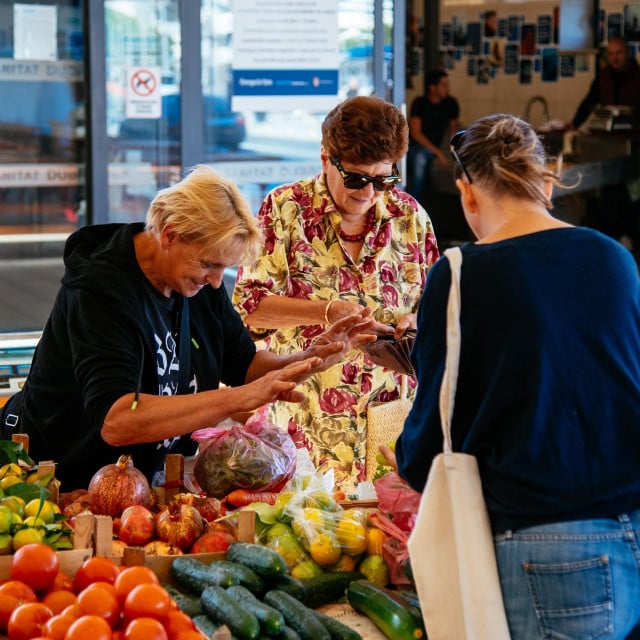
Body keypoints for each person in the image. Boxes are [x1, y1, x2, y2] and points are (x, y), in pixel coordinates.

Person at [390, 114, 640, 638]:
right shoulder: (614, 258)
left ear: (467, 192)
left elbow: (441, 420)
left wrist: (404, 462)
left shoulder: (460, 274)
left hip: (542, 536)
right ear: (546, 182)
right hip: (631, 521)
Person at [0, 165, 375, 491]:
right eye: (210, 265)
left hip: (140, 483)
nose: (215, 283)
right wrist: (238, 400)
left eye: (222, 269)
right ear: (170, 234)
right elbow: (118, 419)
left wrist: (308, 359)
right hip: (54, 481)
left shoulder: (196, 284)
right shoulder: (99, 290)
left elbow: (244, 367)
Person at [233, 95, 439, 494]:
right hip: (303, 418)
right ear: (326, 158)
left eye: (384, 180)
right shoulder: (284, 210)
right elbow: (250, 308)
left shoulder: (411, 217)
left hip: (388, 418)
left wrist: (415, 321)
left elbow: (432, 306)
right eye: (357, 179)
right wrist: (326, 310)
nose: (369, 193)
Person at [405, 69, 460, 202]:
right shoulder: (420, 103)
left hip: (436, 147)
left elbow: (454, 132)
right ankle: (412, 203)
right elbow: (416, 134)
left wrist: (452, 152)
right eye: (444, 85)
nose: (448, 88)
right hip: (416, 147)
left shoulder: (451, 103)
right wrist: (438, 153)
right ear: (432, 88)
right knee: (420, 158)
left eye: (448, 85)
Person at [572, 35, 640, 128]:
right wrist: (574, 125)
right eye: (611, 54)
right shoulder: (603, 76)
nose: (615, 58)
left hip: (634, 133)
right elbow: (589, 102)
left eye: (619, 53)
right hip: (608, 132)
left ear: (628, 53)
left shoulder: (637, 76)